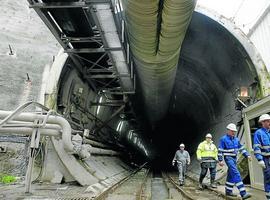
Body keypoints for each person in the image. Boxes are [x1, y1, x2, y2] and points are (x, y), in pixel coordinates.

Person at [218, 123, 252, 199]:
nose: (234, 132)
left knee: (230, 175)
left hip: (234, 159)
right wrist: (220, 160)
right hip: (228, 159)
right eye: (232, 131)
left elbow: (241, 148)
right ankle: (243, 193)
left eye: (234, 131)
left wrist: (247, 155)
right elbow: (220, 150)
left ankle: (228, 191)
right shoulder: (223, 139)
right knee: (236, 173)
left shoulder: (236, 139)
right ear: (228, 130)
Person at [253, 114, 270, 200]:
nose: (269, 122)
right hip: (265, 159)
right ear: (262, 122)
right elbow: (256, 147)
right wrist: (260, 159)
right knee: (268, 177)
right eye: (267, 121)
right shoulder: (258, 133)